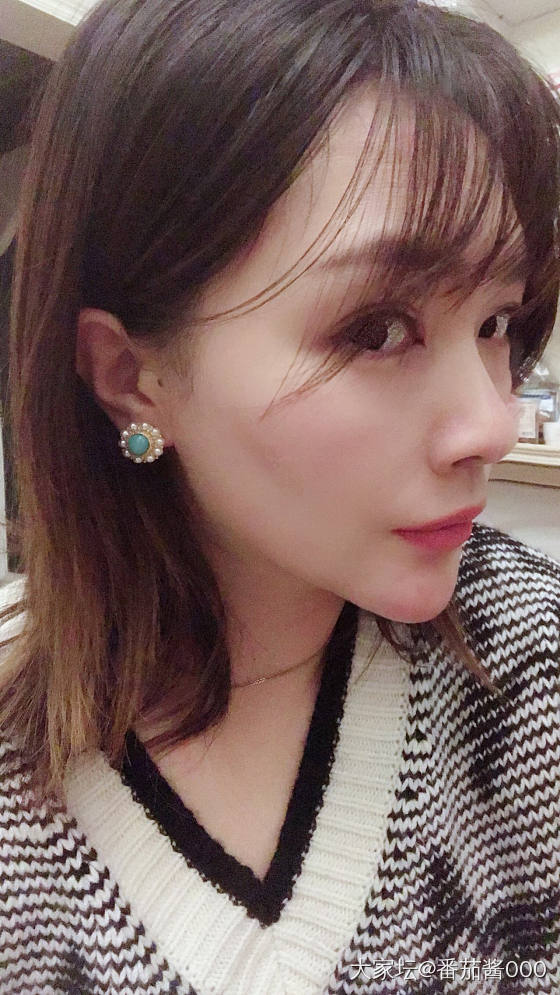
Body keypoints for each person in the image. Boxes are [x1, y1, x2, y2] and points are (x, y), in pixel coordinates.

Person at [0, 0, 559, 991]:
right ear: (132, 377)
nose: (491, 420)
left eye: (495, 321)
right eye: (376, 329)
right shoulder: (25, 827)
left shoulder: (528, 671)